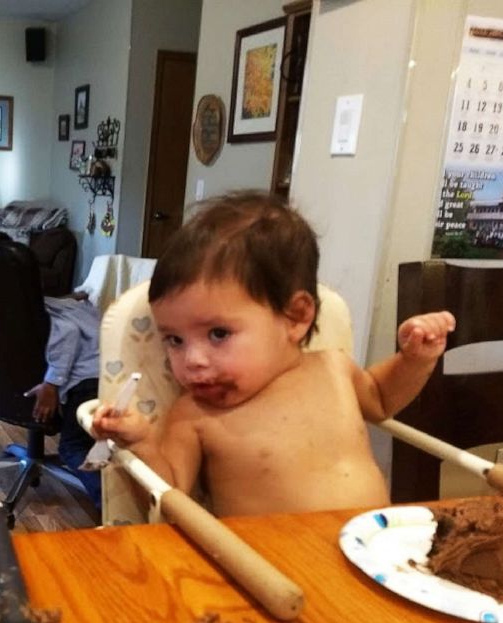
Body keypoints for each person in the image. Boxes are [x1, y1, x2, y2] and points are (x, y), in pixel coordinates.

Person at [92, 191, 456, 517]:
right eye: (174, 340)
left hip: (373, 554)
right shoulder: (194, 415)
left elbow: (379, 398)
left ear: (296, 317)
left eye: (218, 334)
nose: (192, 361)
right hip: (271, 571)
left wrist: (415, 360)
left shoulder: (333, 368)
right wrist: (141, 443)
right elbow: (169, 500)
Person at [24, 291, 101, 510]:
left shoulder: (39, 311)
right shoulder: (62, 303)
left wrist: (52, 384)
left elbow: (67, 331)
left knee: (73, 447)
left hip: (88, 380)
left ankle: (110, 505)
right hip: (113, 371)